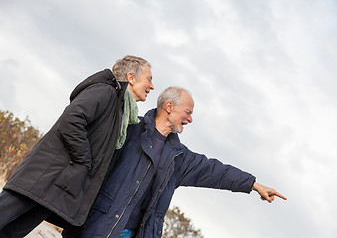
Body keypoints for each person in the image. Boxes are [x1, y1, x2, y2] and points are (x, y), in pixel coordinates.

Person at [63, 86, 286, 238]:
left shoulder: (179, 157)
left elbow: (216, 171)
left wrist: (253, 184)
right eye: (187, 112)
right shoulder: (130, 129)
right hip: (97, 226)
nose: (190, 119)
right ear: (169, 107)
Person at [0, 55, 154, 237]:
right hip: (42, 179)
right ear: (131, 77)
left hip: (58, 188)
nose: (152, 86)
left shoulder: (122, 112)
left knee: (10, 234)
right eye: (149, 79)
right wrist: (84, 161)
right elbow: (71, 120)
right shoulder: (105, 92)